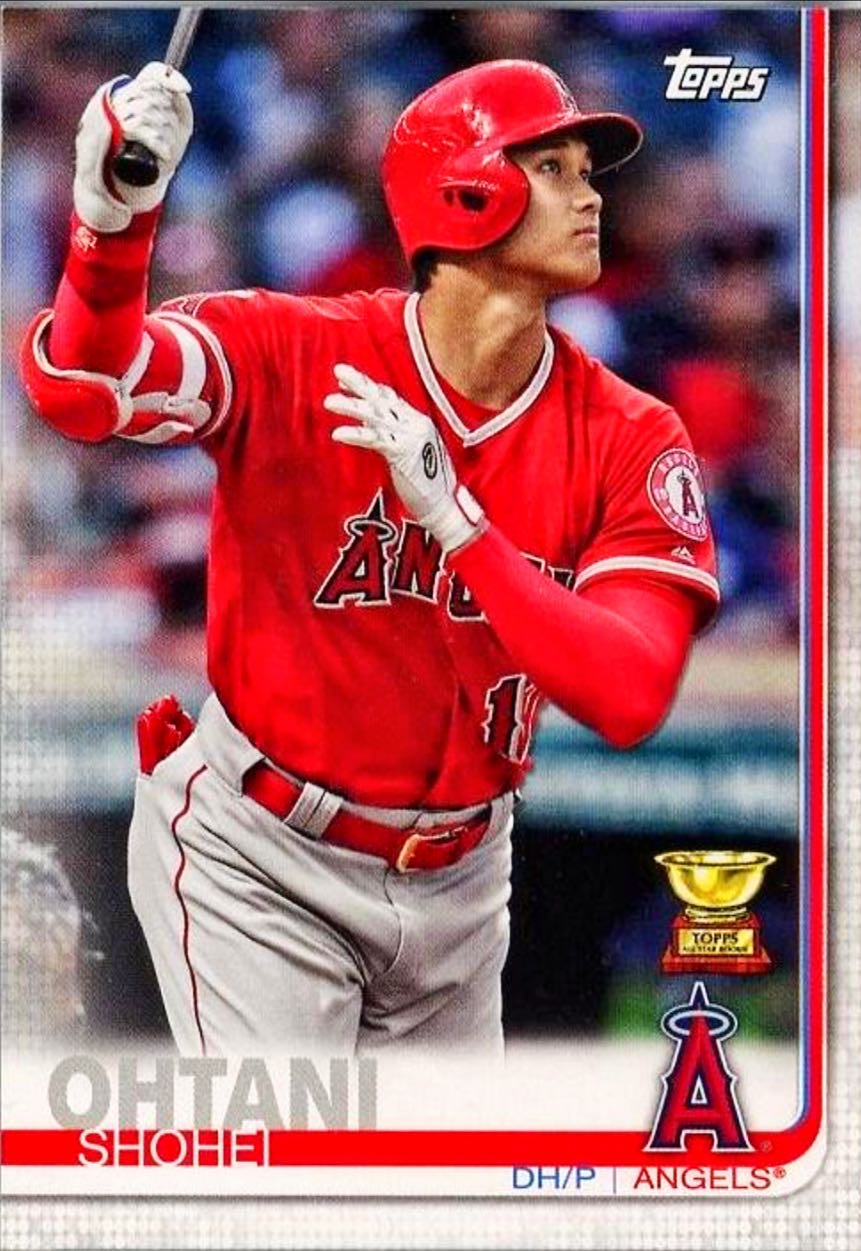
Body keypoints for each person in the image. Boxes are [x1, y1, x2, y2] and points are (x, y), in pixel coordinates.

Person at [20, 58, 719, 1058]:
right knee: (298, 1158)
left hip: (463, 885)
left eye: (587, 171)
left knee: (440, 1171)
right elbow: (87, 390)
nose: (590, 195)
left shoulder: (629, 433)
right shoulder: (295, 348)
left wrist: (458, 525)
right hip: (261, 856)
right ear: (465, 194)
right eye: (554, 168)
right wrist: (111, 231)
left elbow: (628, 692)